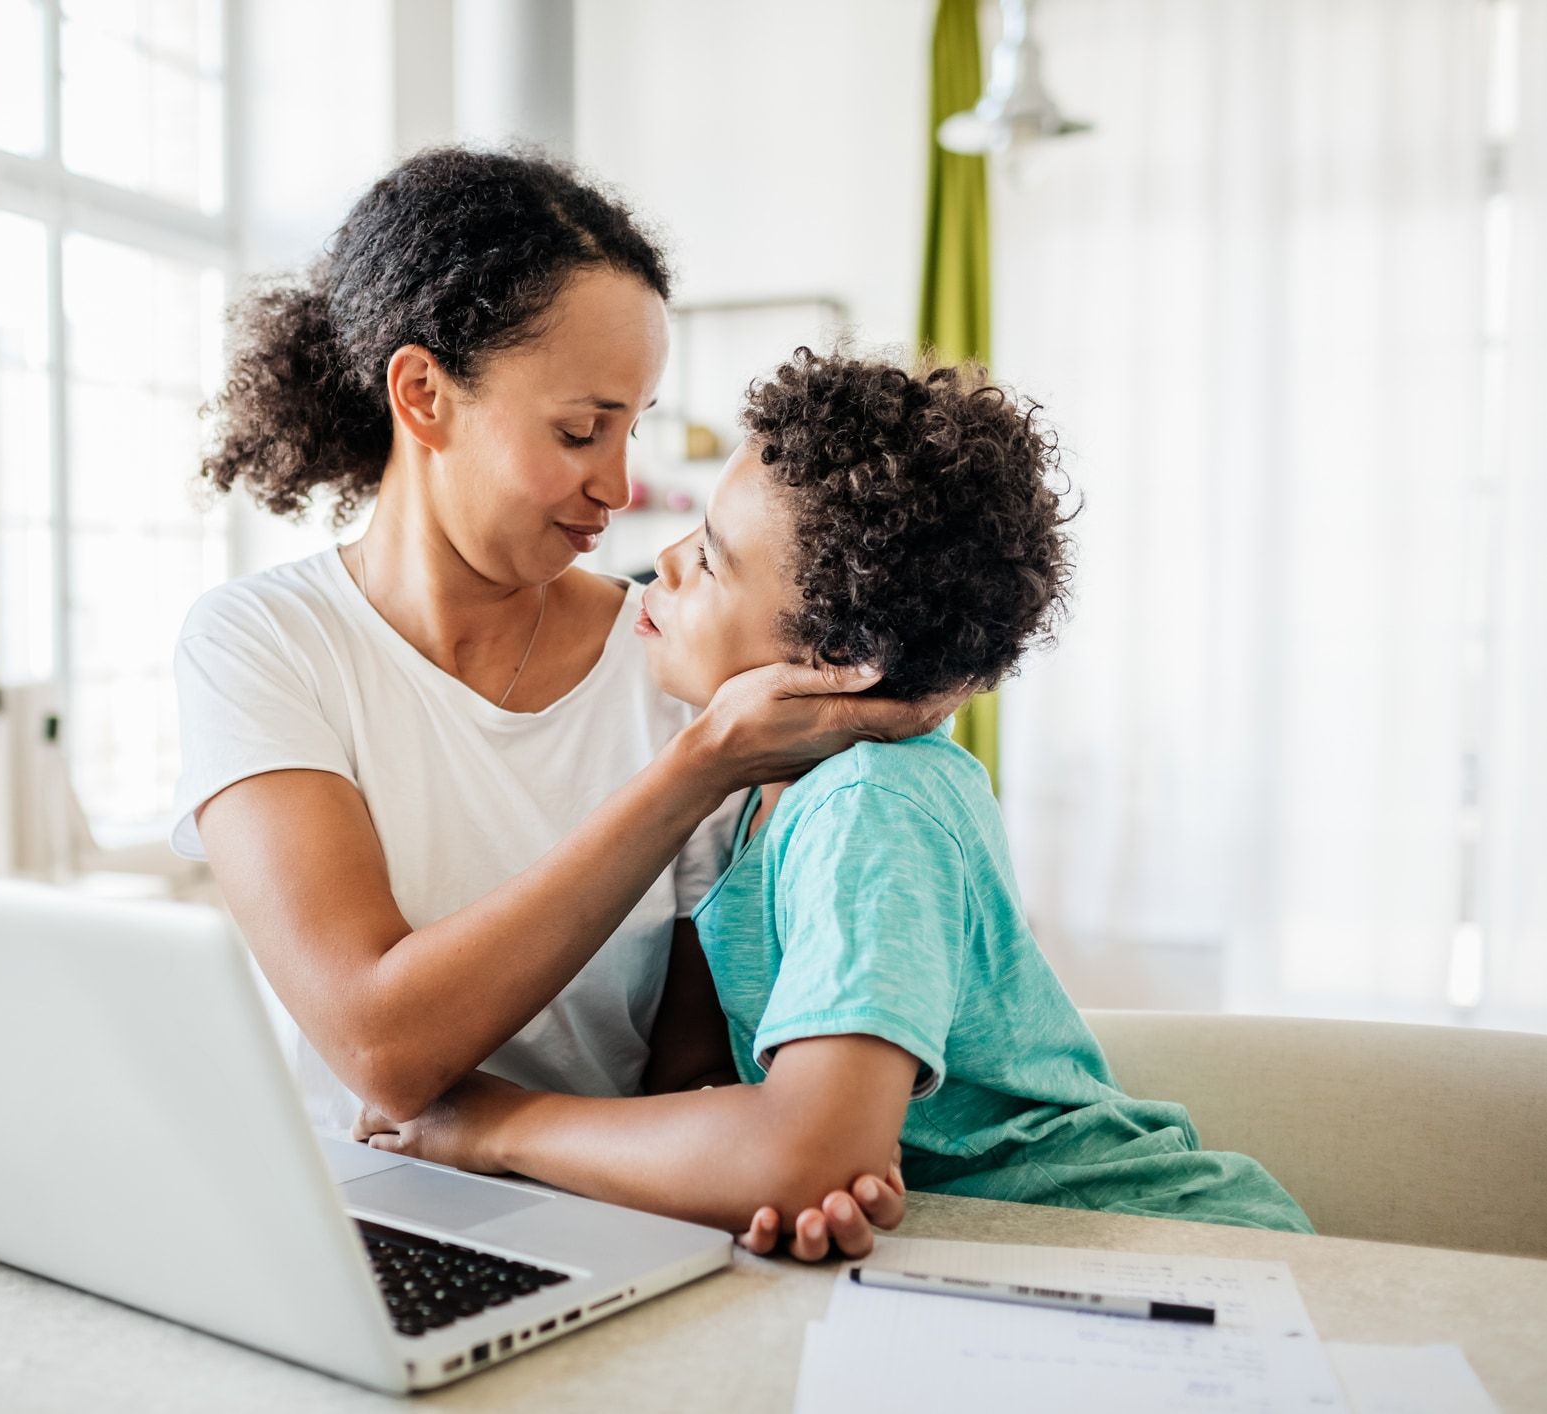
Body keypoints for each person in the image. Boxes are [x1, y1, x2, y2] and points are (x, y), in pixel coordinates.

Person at [173, 149, 953, 1260]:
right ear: (424, 396)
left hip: (609, 1227)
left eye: (634, 427)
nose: (621, 487)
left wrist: (773, 1180)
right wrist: (691, 775)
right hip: (344, 1221)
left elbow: (691, 1065)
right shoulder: (262, 644)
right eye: (582, 430)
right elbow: (380, 1049)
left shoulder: (679, 662)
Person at [354, 351, 1314, 1236]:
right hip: (980, 1256)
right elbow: (742, 1119)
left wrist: (492, 1124)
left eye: (716, 558)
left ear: (842, 660)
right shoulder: (767, 798)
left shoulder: (869, 805)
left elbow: (805, 1154)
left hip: (1155, 1251)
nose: (668, 563)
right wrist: (757, 1163)